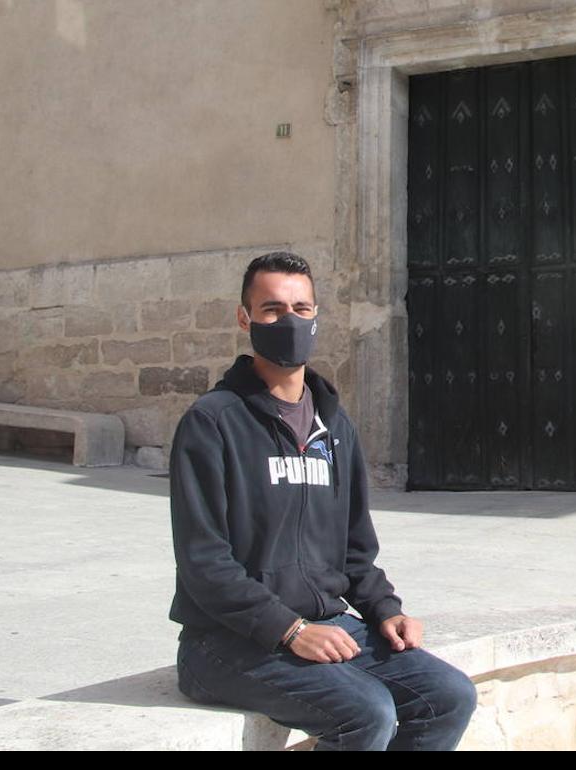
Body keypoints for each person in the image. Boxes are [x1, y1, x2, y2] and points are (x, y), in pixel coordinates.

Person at [169, 251, 476, 751]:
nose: (288, 321)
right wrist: (288, 630)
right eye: (271, 310)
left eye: (301, 308)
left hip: (324, 624)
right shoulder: (212, 423)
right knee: (366, 714)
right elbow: (205, 563)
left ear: (316, 315)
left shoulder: (334, 425)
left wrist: (385, 610)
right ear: (244, 318)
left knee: (449, 696)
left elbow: (354, 549)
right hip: (224, 643)